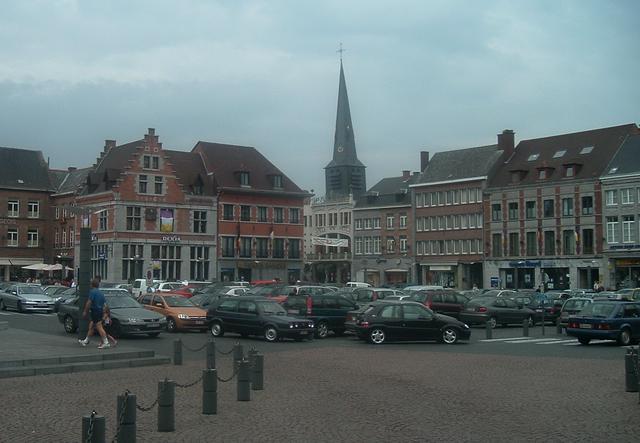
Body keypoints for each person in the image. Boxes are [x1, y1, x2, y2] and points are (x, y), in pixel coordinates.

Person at [79, 278, 110, 349]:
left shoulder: (92, 292)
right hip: (100, 311)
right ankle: (86, 340)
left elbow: (89, 302)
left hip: (95, 311)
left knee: (99, 326)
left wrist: (85, 311)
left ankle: (106, 342)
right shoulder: (101, 293)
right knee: (92, 326)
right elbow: (105, 304)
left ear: (91, 285)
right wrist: (105, 313)